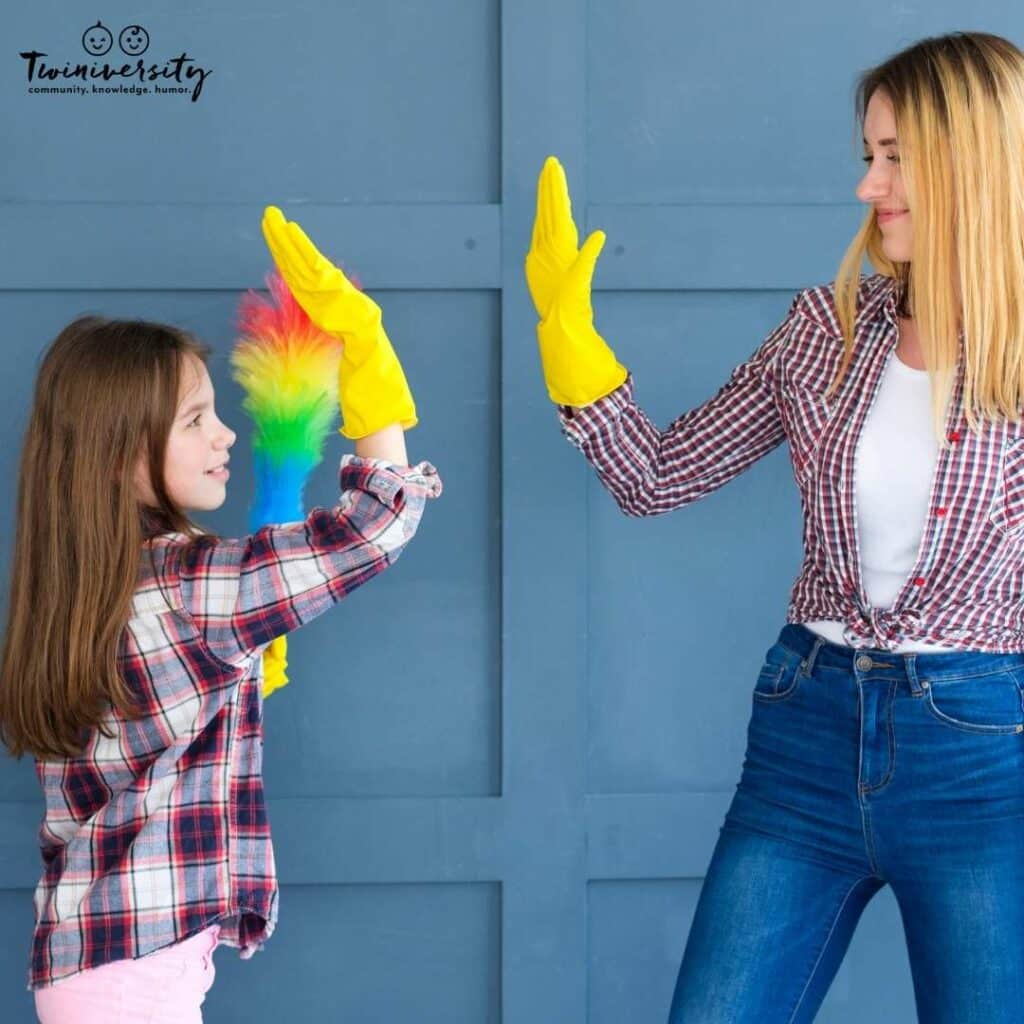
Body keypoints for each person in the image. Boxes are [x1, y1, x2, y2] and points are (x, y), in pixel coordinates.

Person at [526, 31, 1024, 1024]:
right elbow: (657, 477)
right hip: (804, 735)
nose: (866, 185)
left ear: (971, 161)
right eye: (866, 156)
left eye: (893, 158)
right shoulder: (822, 331)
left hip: (982, 761)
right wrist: (570, 344)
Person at [0, 207, 441, 1022]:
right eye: (196, 419)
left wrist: (231, 681)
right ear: (123, 455)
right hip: (134, 978)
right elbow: (377, 524)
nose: (226, 435)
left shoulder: (88, 589)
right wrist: (370, 360)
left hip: (92, 963)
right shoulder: (184, 585)